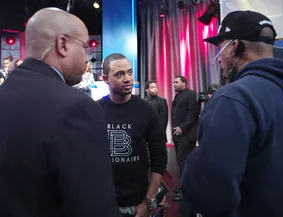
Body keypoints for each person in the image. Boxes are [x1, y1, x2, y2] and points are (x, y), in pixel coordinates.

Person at [181, 10, 283, 217]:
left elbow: (208, 193)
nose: (219, 59)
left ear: (235, 46)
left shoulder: (232, 99)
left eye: (220, 48)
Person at [0, 8, 121, 217]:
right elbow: (94, 207)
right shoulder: (77, 108)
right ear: (62, 44)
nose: (87, 57)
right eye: (84, 47)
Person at [97, 53, 167, 217]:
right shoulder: (95, 110)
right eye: (119, 74)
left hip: (138, 202)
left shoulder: (147, 111)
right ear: (105, 79)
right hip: (104, 203)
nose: (127, 78)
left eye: (129, 72)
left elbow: (159, 159)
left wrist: (148, 202)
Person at [171, 75, 200, 202]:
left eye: (177, 82)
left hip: (187, 136)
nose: (174, 84)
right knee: (181, 163)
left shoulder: (191, 94)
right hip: (179, 135)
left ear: (184, 83)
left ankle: (186, 191)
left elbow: (193, 114)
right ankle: (184, 187)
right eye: (173, 82)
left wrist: (182, 128)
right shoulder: (179, 95)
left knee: (185, 164)